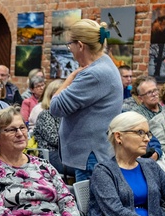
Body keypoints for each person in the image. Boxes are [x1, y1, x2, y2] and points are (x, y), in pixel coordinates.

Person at [49, 19, 122, 182]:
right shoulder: (106, 64)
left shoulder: (94, 74)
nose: (71, 50)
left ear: (80, 45)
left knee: (89, 206)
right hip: (93, 153)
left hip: (90, 157)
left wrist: (70, 78)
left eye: (70, 45)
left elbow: (55, 106)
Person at [30, 80, 68, 175]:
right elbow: (55, 140)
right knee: (83, 168)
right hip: (51, 155)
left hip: (66, 153)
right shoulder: (45, 115)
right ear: (52, 96)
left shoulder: (66, 114)